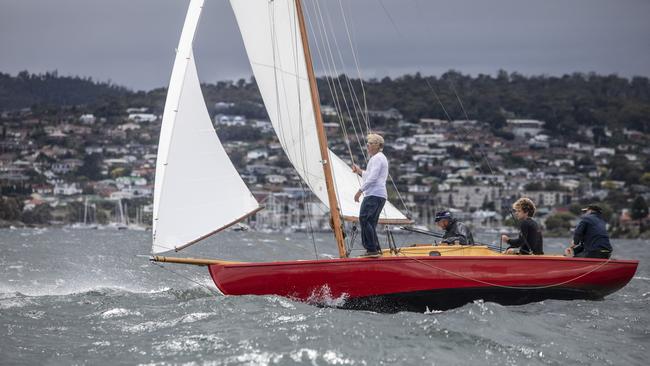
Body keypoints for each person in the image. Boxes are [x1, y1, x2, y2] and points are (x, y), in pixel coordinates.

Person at [352, 133, 388, 257]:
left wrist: (359, 191)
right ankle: (374, 249)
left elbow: (373, 178)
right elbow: (370, 175)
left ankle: (371, 249)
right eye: (368, 144)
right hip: (379, 195)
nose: (368, 146)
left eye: (371, 144)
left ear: (378, 145)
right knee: (370, 222)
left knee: (365, 219)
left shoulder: (377, 158)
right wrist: (359, 171)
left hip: (373, 194)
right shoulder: (379, 158)